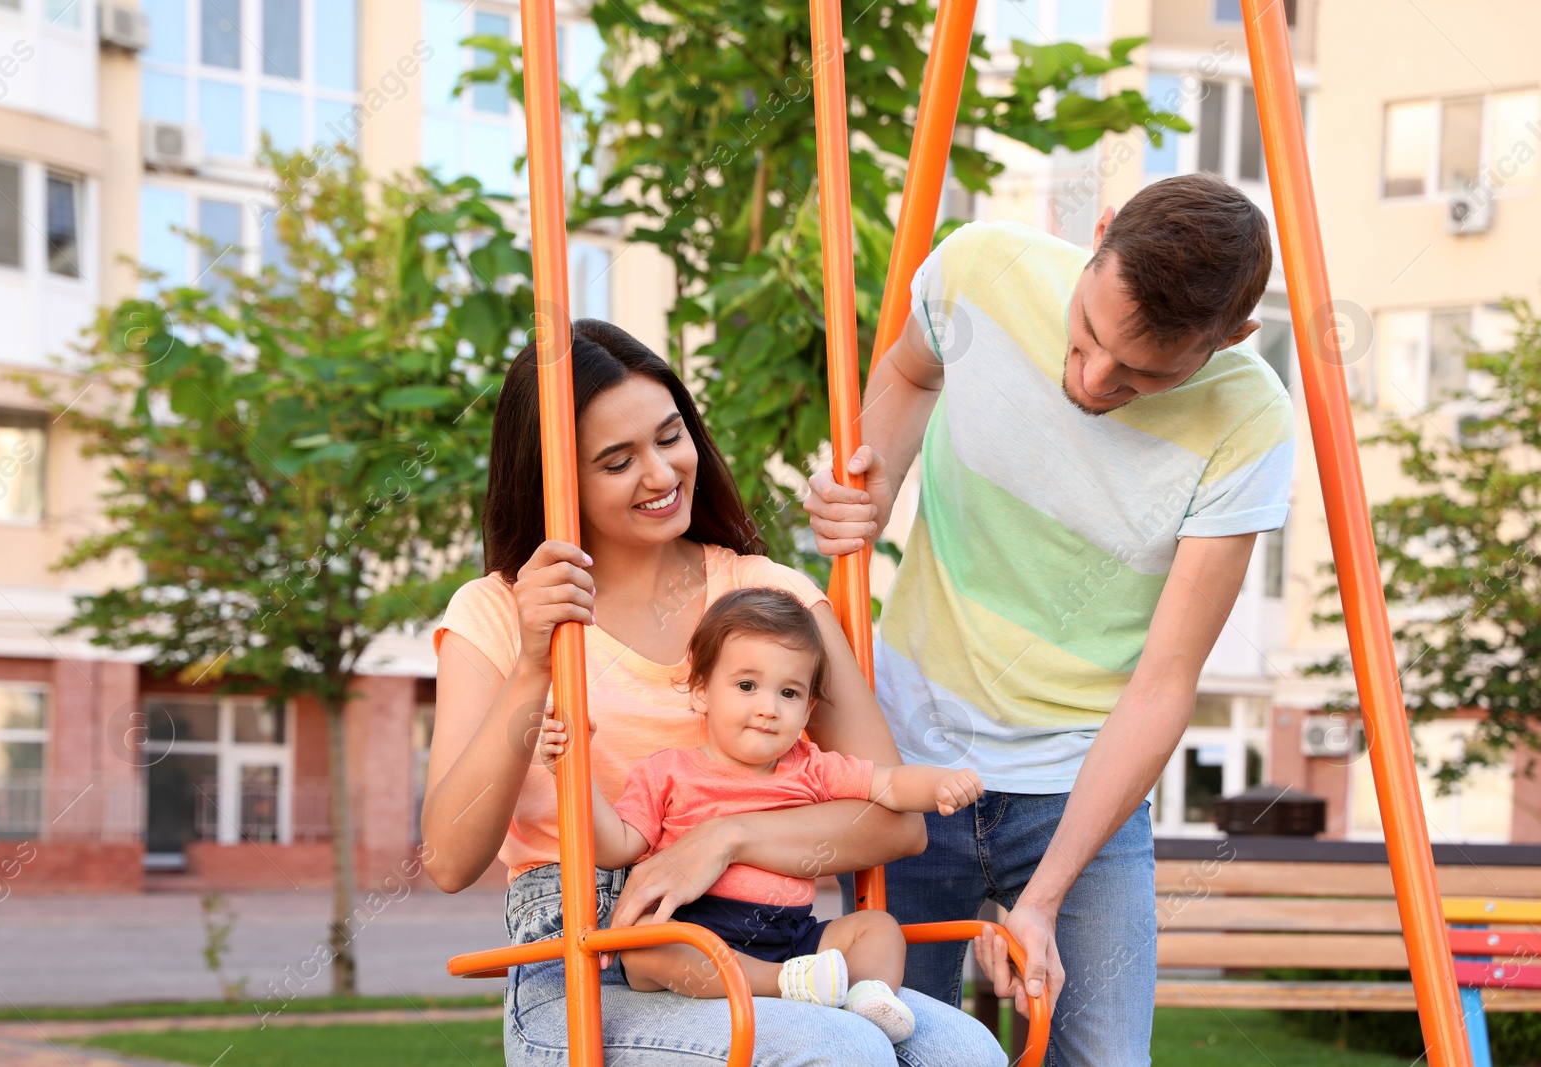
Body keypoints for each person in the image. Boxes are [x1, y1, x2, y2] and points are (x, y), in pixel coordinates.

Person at [806, 172, 1296, 1065]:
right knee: (893, 1046)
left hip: (1082, 782)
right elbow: (913, 370)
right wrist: (867, 491)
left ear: (1232, 339)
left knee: (1107, 1057)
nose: (1094, 380)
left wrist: (1045, 895)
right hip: (910, 753)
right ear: (1098, 234)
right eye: (1087, 338)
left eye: (1143, 375)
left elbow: (1163, 684)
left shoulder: (1251, 421)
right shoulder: (979, 269)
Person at [424, 318, 1009, 1066]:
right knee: (838, 1049)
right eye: (616, 461)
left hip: (773, 932)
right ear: (555, 479)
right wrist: (535, 661)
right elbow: (447, 858)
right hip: (589, 958)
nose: (662, 473)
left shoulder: (768, 598)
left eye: (671, 436)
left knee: (967, 1051)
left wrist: (720, 839)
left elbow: (896, 826)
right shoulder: (497, 613)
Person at [538, 586, 986, 1043]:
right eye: (747, 686)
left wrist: (937, 785)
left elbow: (887, 784)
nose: (768, 708)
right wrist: (572, 774)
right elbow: (617, 847)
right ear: (701, 691)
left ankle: (869, 997)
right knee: (645, 947)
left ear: (808, 708)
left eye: (789, 693)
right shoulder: (667, 773)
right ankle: (786, 986)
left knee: (878, 927)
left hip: (792, 936)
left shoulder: (811, 767)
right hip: (698, 929)